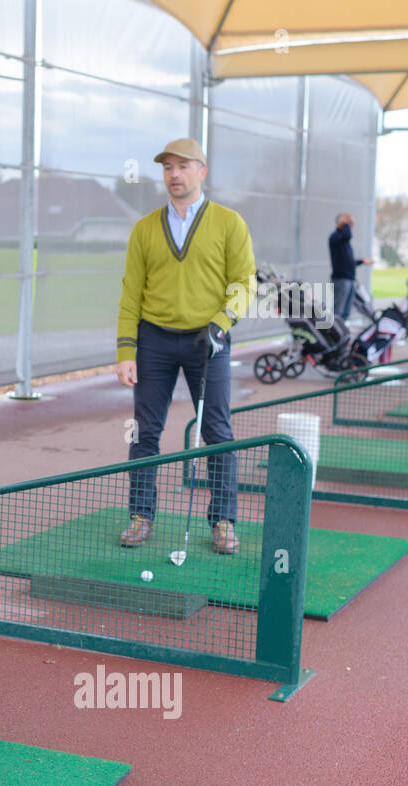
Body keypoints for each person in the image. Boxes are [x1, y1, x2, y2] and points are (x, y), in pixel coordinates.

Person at [115, 137, 255, 555]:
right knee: (144, 431)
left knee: (217, 431)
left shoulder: (230, 223)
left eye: (183, 166)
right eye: (167, 167)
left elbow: (245, 284)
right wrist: (126, 351)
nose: (174, 174)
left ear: (202, 172)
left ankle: (224, 520)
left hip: (207, 341)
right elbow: (130, 294)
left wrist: (220, 323)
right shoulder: (143, 229)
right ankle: (141, 515)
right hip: (154, 341)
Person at [328, 213, 373, 323]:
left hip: (350, 279)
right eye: (348, 222)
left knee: (346, 312)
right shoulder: (335, 237)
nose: (351, 225)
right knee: (338, 311)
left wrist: (362, 261)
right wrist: (345, 223)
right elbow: (347, 235)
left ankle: (341, 332)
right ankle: (333, 335)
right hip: (341, 280)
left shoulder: (345, 243)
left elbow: (350, 262)